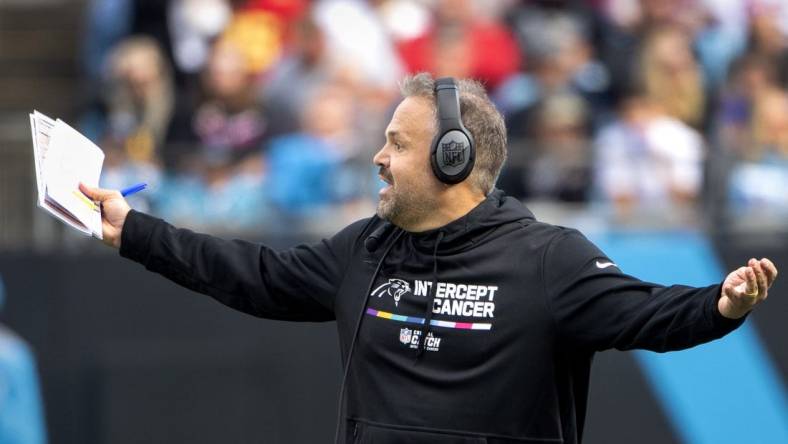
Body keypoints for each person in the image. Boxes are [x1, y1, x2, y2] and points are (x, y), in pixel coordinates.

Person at [79, 73, 778, 444]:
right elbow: (253, 275)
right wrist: (134, 230)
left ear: (455, 159)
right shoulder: (363, 249)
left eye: (397, 144)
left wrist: (721, 303)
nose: (379, 157)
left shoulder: (548, 260)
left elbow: (647, 314)